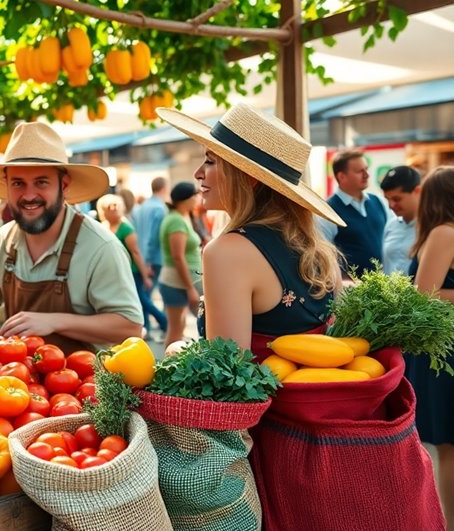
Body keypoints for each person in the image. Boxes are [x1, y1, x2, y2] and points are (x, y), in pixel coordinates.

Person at [156, 102, 345, 353]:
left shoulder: (226, 251)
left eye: (210, 161)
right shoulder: (316, 247)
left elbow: (225, 372)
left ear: (247, 176)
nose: (198, 173)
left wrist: (176, 349)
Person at [0, 122, 143, 353]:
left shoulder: (100, 246)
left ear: (63, 186)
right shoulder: (4, 239)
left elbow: (130, 327)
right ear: (6, 186)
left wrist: (54, 321)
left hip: (86, 383)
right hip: (17, 381)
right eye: (18, 183)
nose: (29, 195)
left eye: (41, 182)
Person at [405, 166, 454, 531]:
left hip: (444, 348)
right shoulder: (444, 233)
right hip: (442, 352)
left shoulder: (442, 232)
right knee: (448, 446)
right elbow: (426, 296)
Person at [97, 194, 164, 341]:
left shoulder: (125, 227)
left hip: (132, 272)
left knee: (142, 300)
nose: (113, 209)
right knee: (141, 300)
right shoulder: (104, 226)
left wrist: (145, 275)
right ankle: (147, 329)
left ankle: (164, 323)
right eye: (109, 207)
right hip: (115, 273)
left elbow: (136, 252)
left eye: (115, 206)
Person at [318, 149, 390, 278]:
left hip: (384, 287)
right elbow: (323, 257)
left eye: (366, 169)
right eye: (360, 171)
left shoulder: (378, 201)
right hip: (350, 293)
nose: (367, 175)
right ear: (342, 177)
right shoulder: (328, 211)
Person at [158, 182, 205, 347]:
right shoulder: (175, 220)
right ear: (187, 198)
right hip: (177, 282)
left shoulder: (181, 217)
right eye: (196, 195)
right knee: (176, 333)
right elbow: (178, 257)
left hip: (180, 281)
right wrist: (190, 288)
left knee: (179, 328)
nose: (199, 198)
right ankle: (166, 369)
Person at [380, 166, 421, 276]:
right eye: (387, 199)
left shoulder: (432, 228)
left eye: (396, 199)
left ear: (417, 191)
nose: (391, 205)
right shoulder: (391, 224)